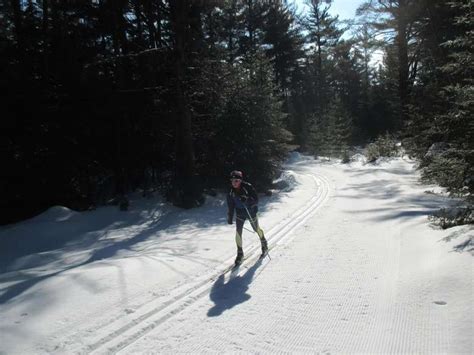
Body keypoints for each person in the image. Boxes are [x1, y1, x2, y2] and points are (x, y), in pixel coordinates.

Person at [226, 170, 268, 265]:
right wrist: (230, 216)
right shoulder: (230, 191)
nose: (234, 183)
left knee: (256, 228)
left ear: (240, 180)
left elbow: (256, 199)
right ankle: (240, 254)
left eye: (236, 180)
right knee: (238, 232)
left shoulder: (247, 187)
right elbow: (230, 204)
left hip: (251, 211)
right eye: (232, 180)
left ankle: (264, 242)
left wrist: (247, 199)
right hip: (240, 213)